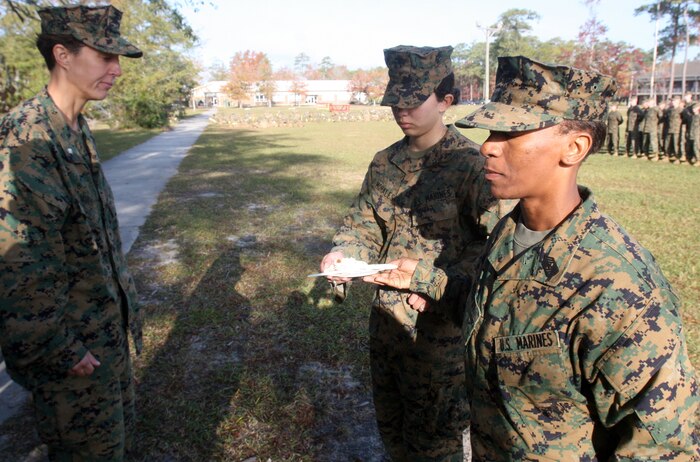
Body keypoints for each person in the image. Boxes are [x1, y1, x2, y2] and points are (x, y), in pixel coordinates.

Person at [366, 56, 699, 460]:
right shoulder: (510, 235)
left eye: (512, 132)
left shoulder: (618, 286)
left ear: (574, 148)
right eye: (492, 130)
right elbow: (497, 310)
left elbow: (665, 445)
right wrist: (424, 279)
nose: (489, 145)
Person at [319, 45, 509, 461]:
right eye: (395, 102)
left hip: (438, 333)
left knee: (434, 444)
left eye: (414, 101)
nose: (402, 111)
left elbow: (495, 246)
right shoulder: (385, 162)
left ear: (445, 101)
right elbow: (362, 224)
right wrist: (342, 255)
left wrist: (438, 280)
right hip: (387, 325)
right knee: (393, 432)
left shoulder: (470, 165)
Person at [0, 5, 143, 461]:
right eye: (104, 56)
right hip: (73, 355)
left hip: (102, 338)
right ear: (62, 54)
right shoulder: (27, 138)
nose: (116, 69)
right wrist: (59, 349)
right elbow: (15, 261)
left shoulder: (74, 128)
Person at [664, 97, 684, 162]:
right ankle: (667, 155)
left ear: (678, 102)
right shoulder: (670, 110)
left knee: (676, 144)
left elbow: (684, 119)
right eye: (673, 101)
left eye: (674, 101)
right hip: (670, 129)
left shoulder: (681, 110)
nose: (673, 102)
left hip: (677, 130)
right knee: (667, 143)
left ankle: (677, 157)